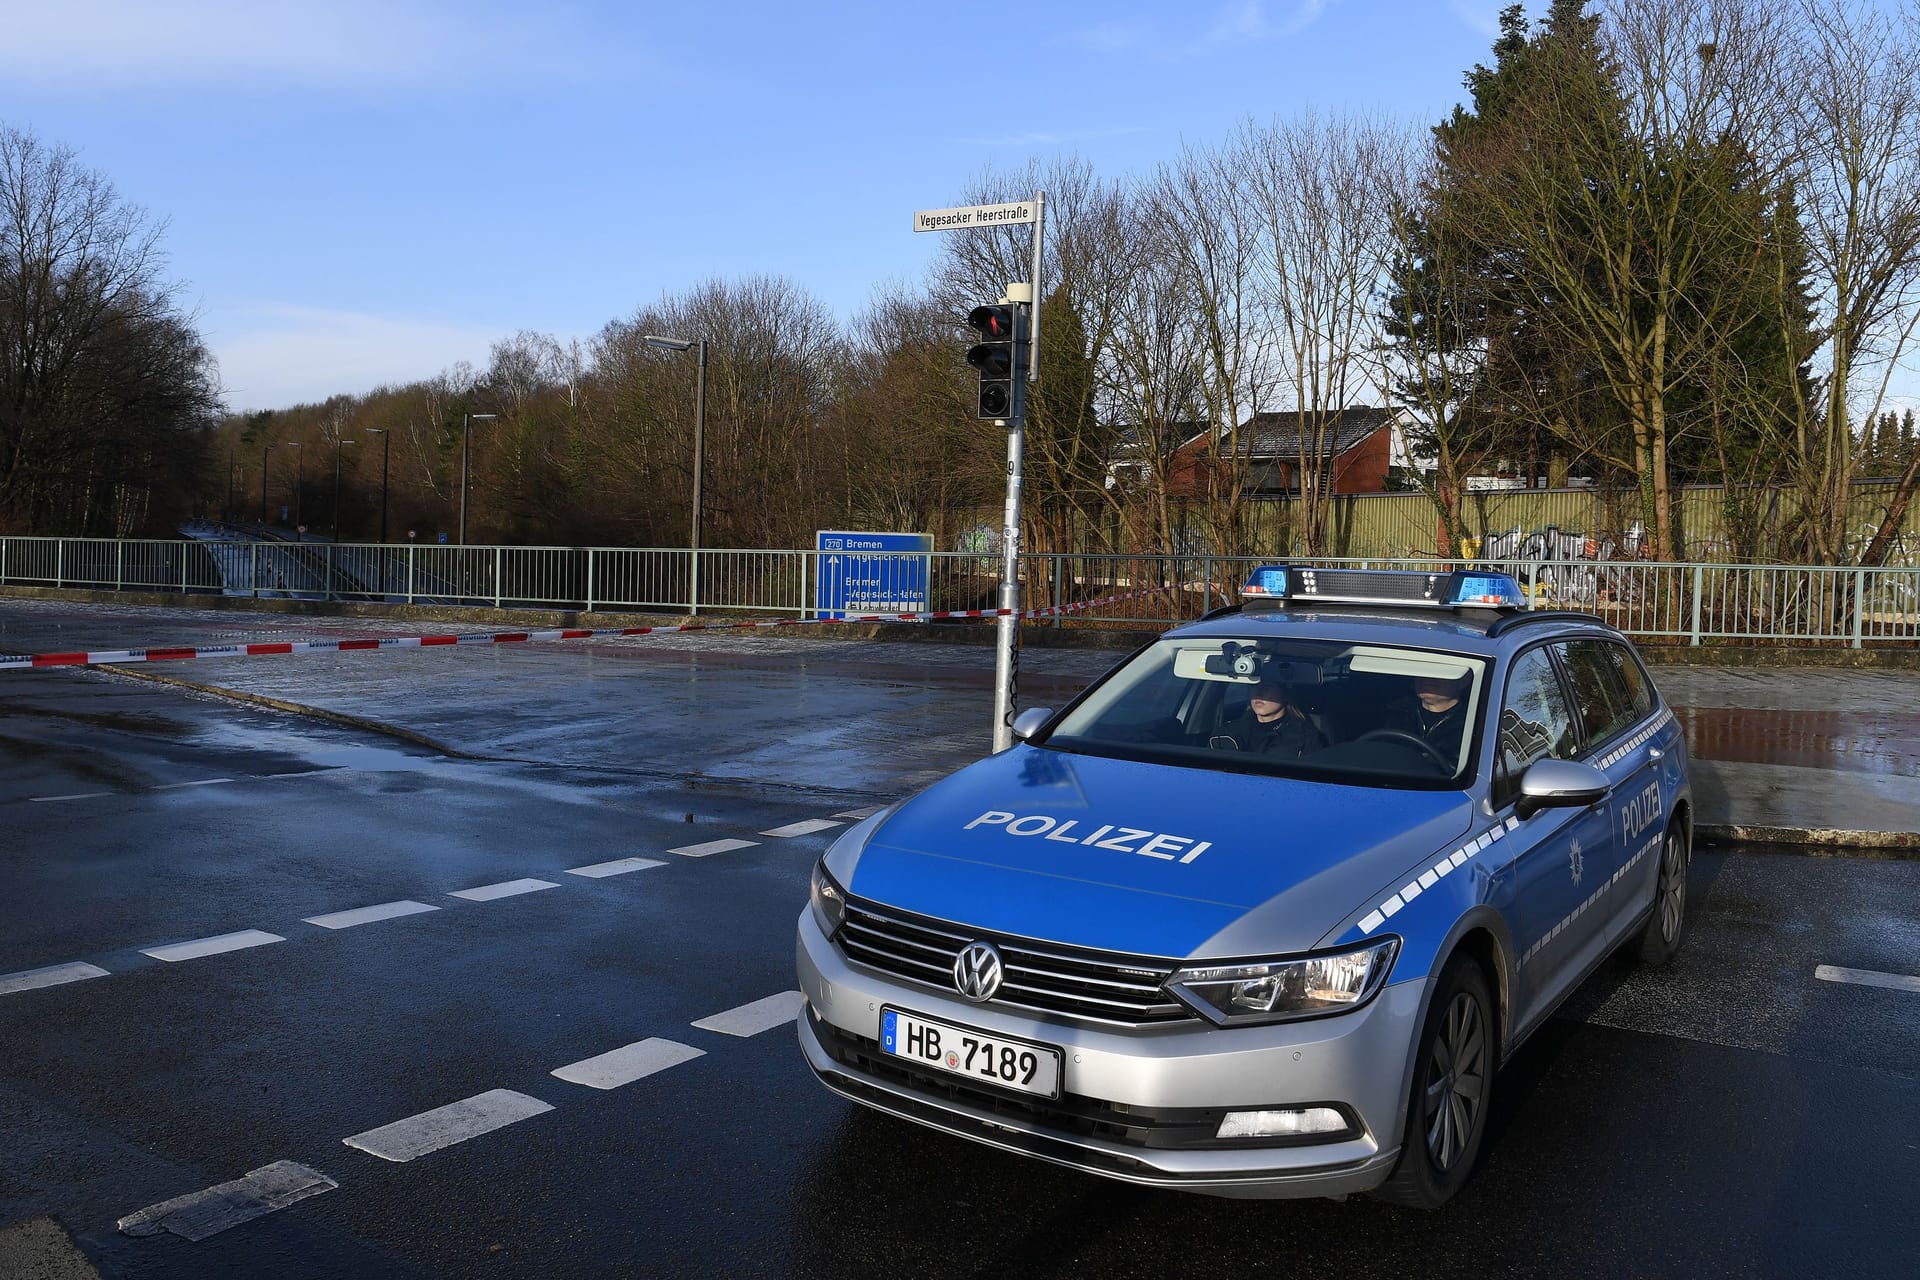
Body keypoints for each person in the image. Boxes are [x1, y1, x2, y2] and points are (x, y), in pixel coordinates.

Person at [1217, 674, 1325, 759]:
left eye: (1268, 687)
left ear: (1285, 695)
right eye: (1254, 685)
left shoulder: (1305, 738)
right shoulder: (1228, 732)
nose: (1259, 693)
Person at [1389, 672, 1473, 761]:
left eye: (1438, 673)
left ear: (1463, 681)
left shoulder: (1474, 723)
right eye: (1423, 672)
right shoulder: (1394, 711)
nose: (1427, 679)